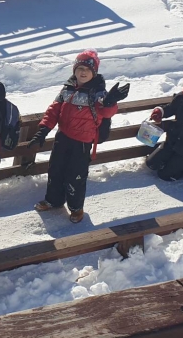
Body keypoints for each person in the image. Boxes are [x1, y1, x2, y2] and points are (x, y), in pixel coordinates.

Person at [30, 50, 130, 222]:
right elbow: (54, 110)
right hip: (63, 137)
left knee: (75, 176)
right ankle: (54, 200)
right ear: (74, 70)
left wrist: (110, 102)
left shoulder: (98, 92)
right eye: (80, 68)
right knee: (55, 169)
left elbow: (107, 112)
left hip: (82, 143)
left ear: (94, 72)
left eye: (87, 69)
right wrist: (44, 129)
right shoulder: (67, 88)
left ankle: (76, 208)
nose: (83, 72)